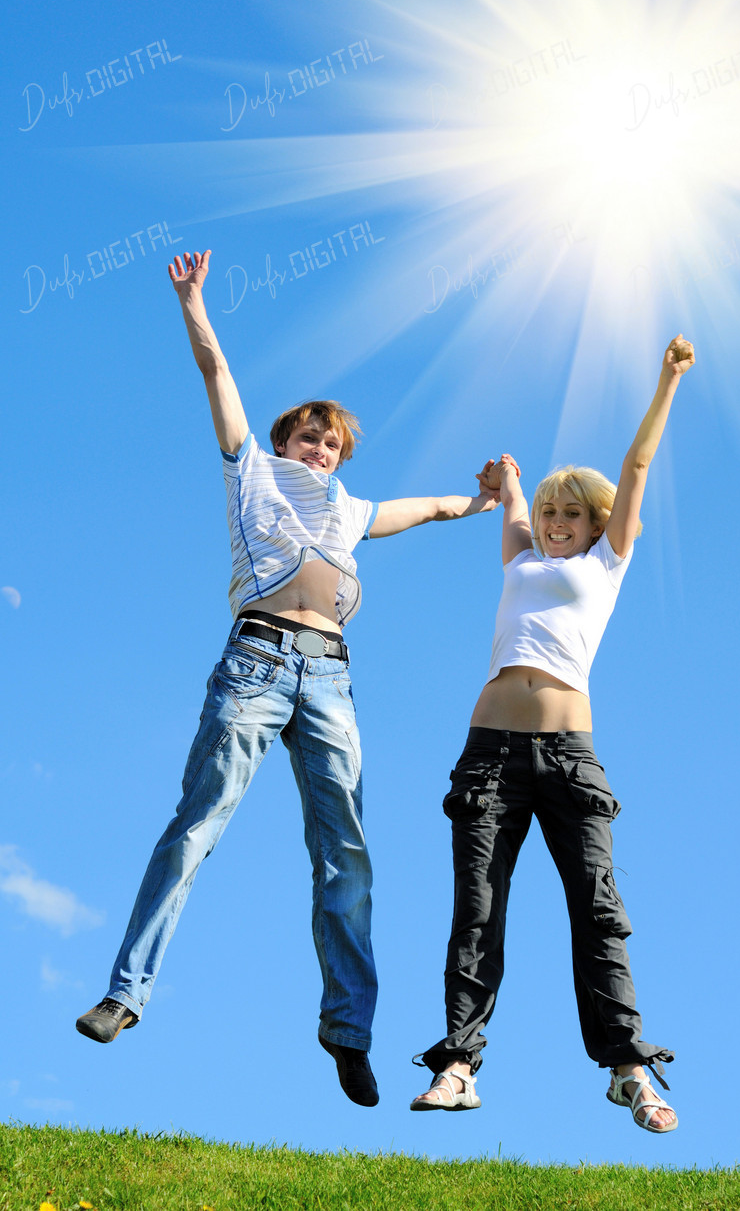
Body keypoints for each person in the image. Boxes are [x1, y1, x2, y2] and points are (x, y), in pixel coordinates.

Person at [76, 249, 500, 1107]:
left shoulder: (348, 509)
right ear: (282, 441)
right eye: (310, 434)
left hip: (331, 681)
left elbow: (423, 510)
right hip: (257, 663)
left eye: (333, 442)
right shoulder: (250, 470)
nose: (321, 448)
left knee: (344, 851)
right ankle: (125, 994)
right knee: (198, 824)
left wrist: (480, 499)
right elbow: (216, 369)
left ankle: (347, 1031)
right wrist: (194, 301)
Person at [410, 334, 695, 1133]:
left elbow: (635, 471)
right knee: (477, 908)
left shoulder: (607, 561)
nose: (557, 523)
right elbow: (510, 502)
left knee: (597, 912)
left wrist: (666, 380)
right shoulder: (517, 558)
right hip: (488, 756)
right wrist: (507, 479)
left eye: (572, 514)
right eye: (549, 512)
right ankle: (458, 1065)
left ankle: (629, 1066)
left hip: (569, 759)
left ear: (598, 523)